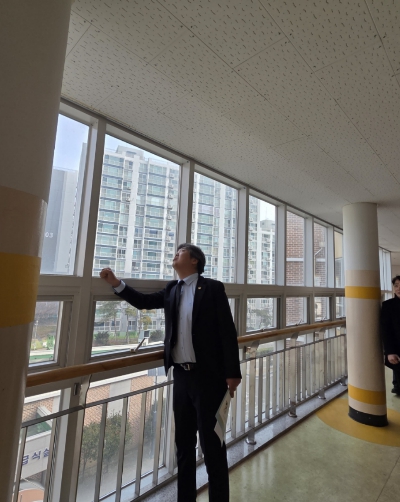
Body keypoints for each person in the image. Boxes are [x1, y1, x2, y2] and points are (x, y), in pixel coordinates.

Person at [100, 243, 241, 501]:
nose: (175, 254)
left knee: (212, 447)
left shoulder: (212, 288)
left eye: (181, 252)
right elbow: (143, 302)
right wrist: (116, 283)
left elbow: (227, 332)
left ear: (195, 260)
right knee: (183, 445)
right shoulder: (172, 289)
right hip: (182, 378)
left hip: (209, 378)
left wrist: (233, 372)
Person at [381, 275, 400, 395]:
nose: (398, 288)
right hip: (397, 350)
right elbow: (386, 330)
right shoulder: (388, 305)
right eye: (396, 285)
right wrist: (390, 352)